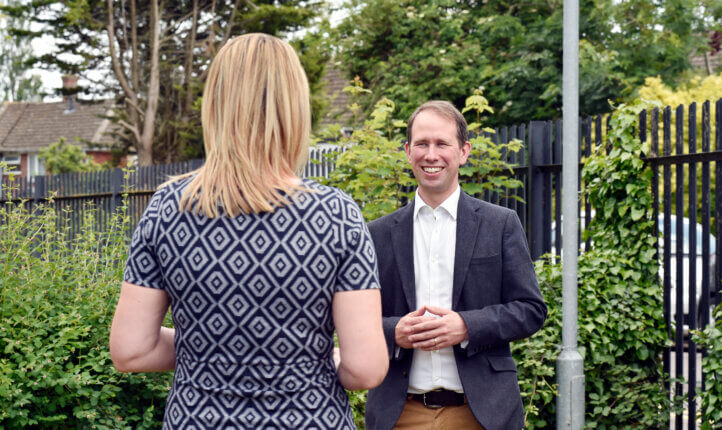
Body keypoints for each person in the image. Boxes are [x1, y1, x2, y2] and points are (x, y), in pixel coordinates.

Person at [109, 33, 388, 429]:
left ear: (217, 105)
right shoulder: (336, 215)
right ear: (295, 106)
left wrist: (208, 349)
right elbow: (365, 370)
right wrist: (297, 354)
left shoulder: (168, 209)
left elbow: (131, 352)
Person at [364, 101, 547, 430]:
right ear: (407, 151)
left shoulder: (500, 224)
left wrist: (466, 326)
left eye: (442, 144)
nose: (431, 155)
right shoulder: (378, 233)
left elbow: (531, 309)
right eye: (421, 144)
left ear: (463, 152)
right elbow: (358, 319)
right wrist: (395, 332)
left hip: (481, 413)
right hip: (401, 413)